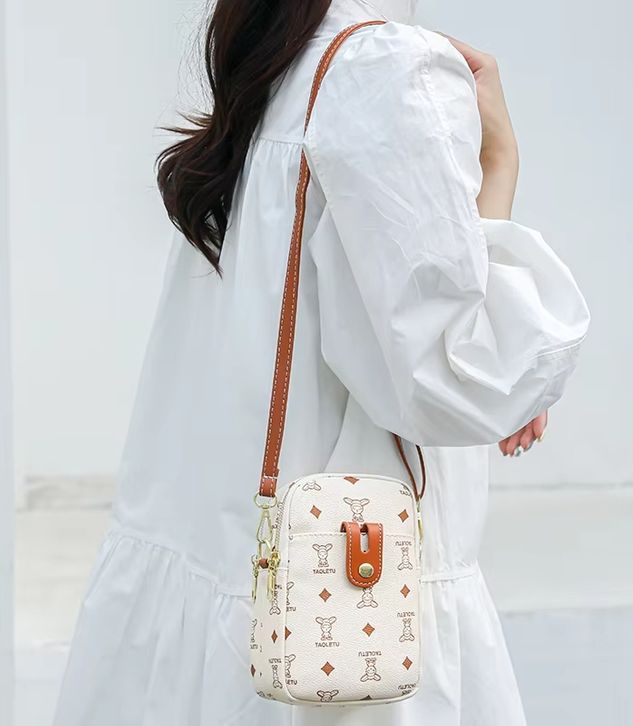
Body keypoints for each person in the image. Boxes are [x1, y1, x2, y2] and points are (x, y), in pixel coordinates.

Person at [53, 0, 590, 724]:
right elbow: (459, 374)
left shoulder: (277, 57)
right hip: (341, 609)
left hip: (229, 569)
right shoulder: (388, 72)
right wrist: (501, 162)